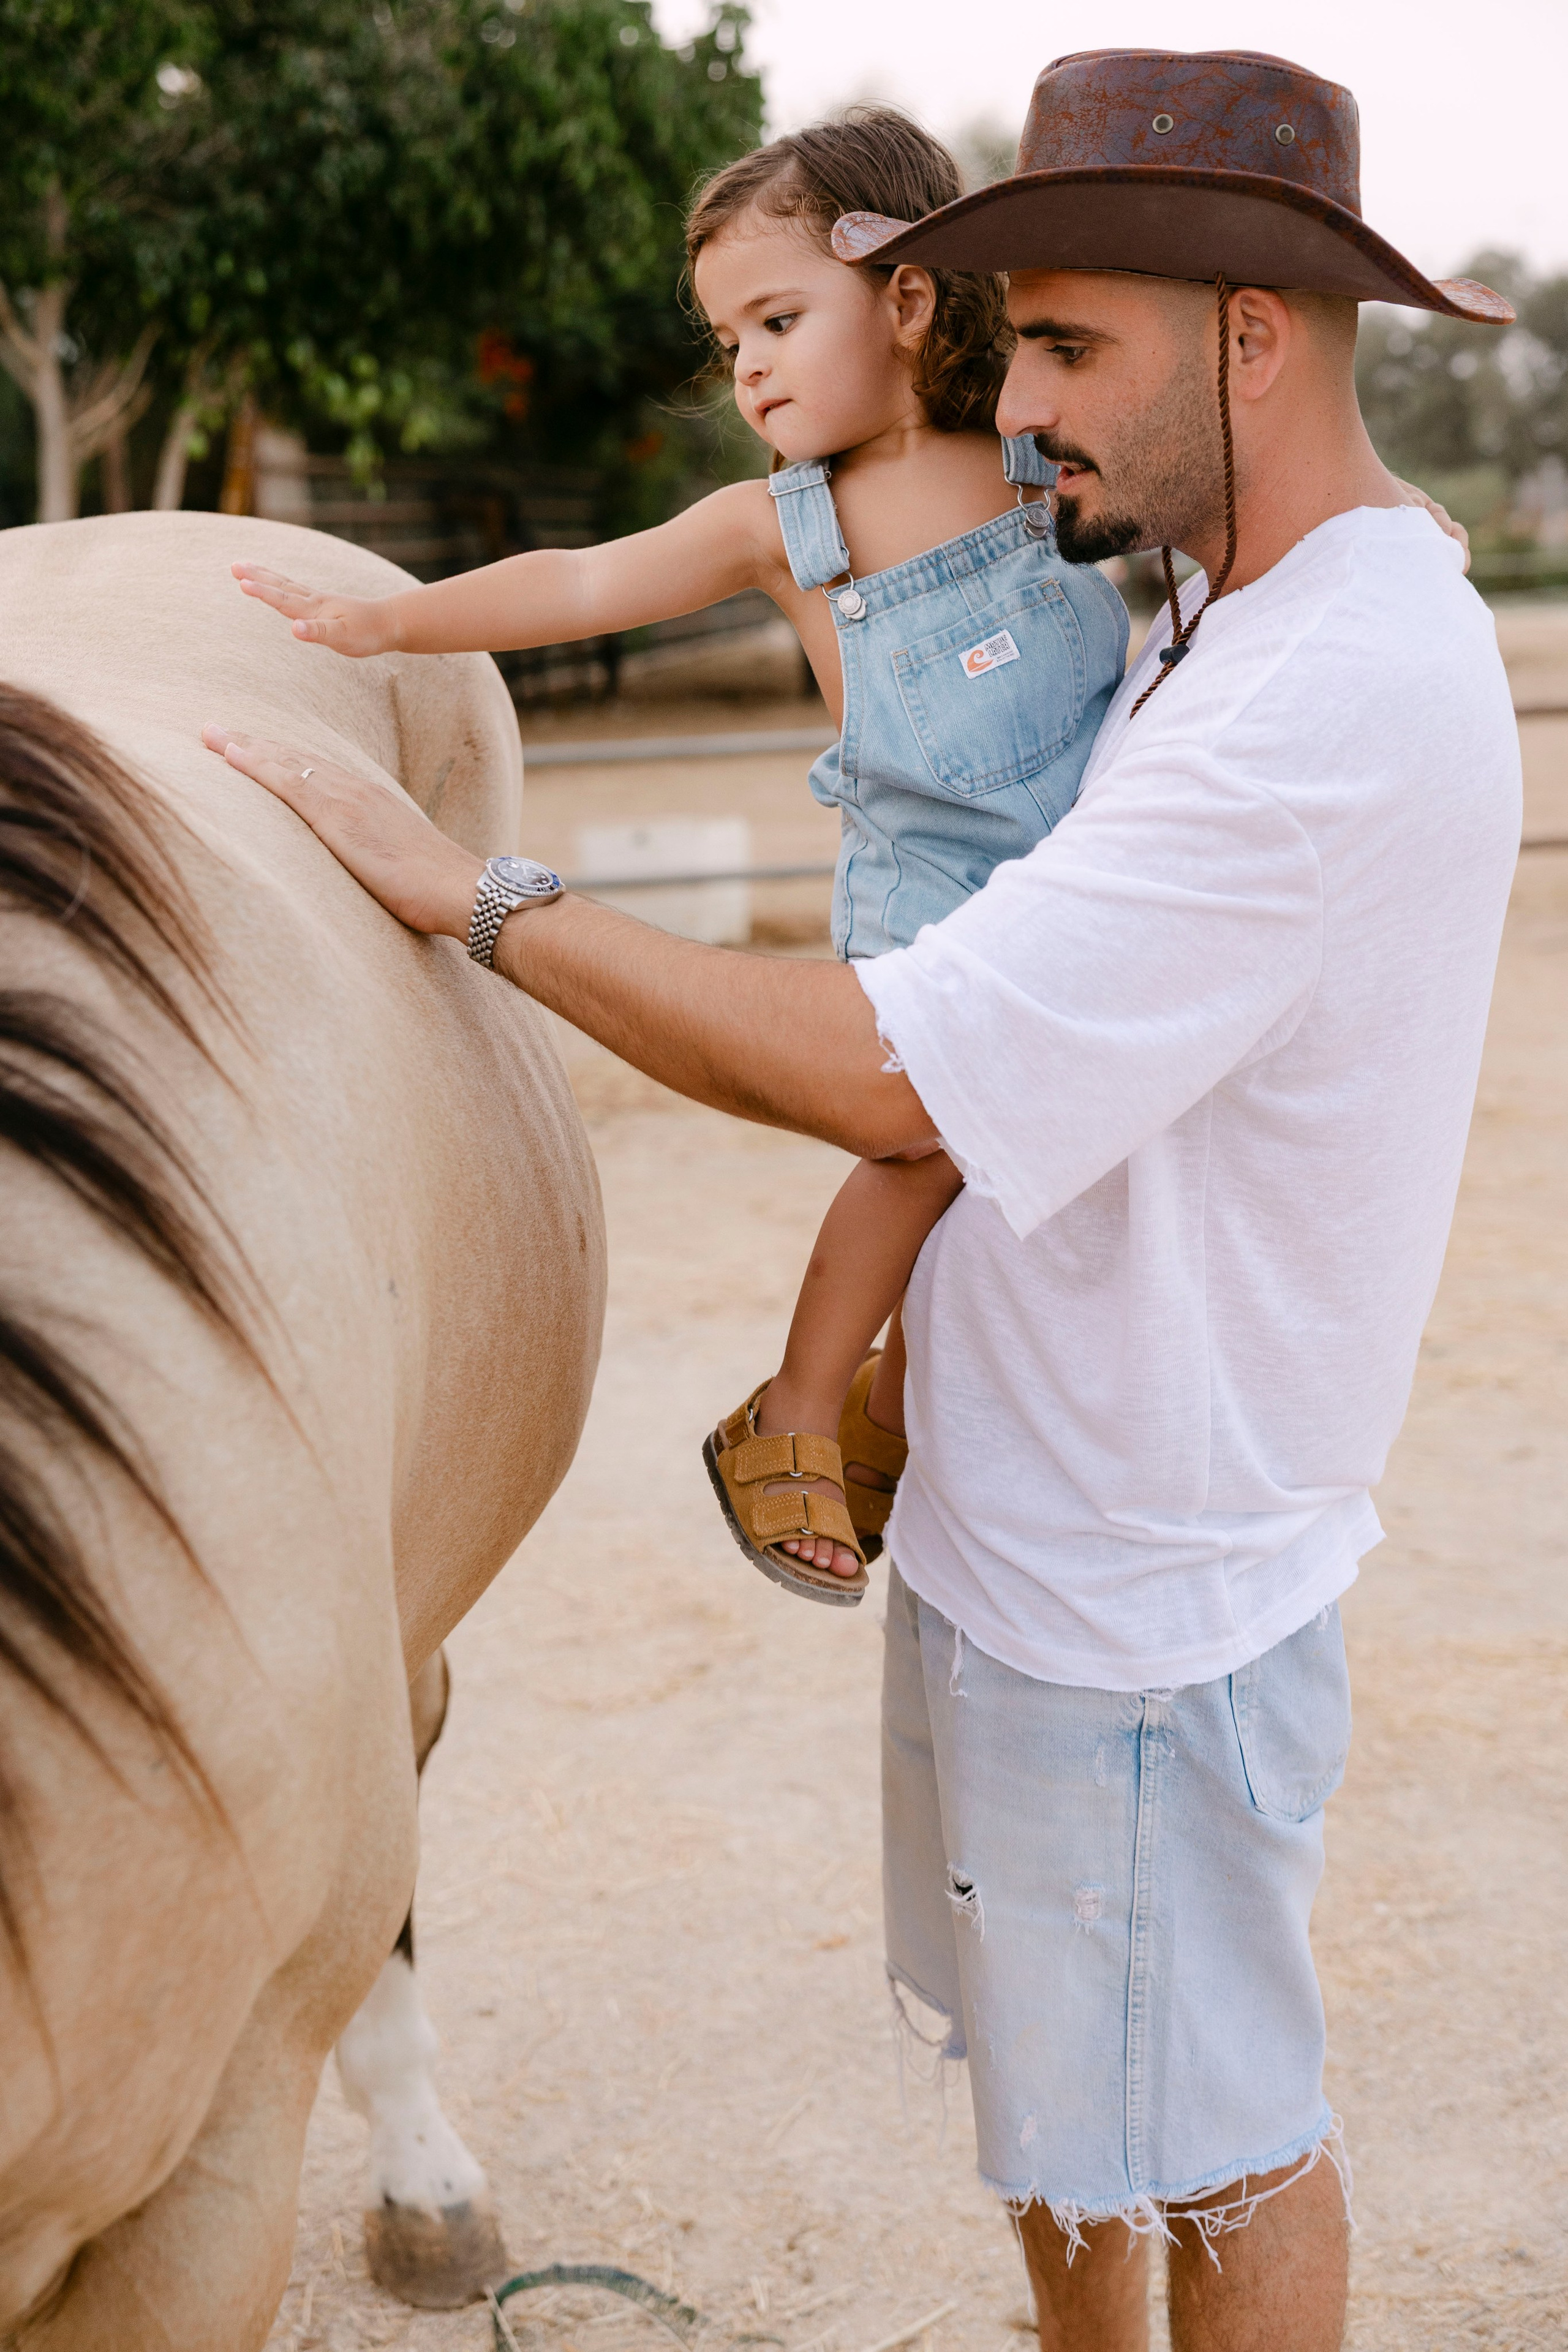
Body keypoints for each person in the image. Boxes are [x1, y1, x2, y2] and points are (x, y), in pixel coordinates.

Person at [206, 49, 1523, 2352]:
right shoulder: (1219, 605)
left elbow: (888, 1061)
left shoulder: (1318, 695)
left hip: (1135, 1578)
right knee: (1070, 2105)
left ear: (1254, 333)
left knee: (1218, 2138)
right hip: (1033, 1515)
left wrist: (464, 891)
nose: (1016, 395)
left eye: (1066, 341)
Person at [229, 110, 1129, 1607]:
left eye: (778, 319)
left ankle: (896, 1411)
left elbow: (1218, 523)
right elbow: (581, 582)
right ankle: (792, 1408)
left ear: (907, 298)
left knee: (1039, 1196)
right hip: (933, 904)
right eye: (728, 342)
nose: (749, 367)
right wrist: (391, 619)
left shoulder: (1045, 464)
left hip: (1084, 897)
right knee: (919, 1154)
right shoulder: (783, 527)